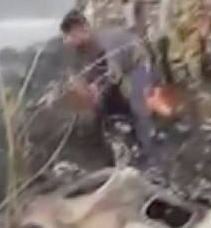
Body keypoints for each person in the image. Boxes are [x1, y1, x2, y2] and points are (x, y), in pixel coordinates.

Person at [59, 10, 162, 159]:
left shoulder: (105, 44)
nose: (71, 36)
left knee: (137, 102)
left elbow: (114, 74)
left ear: (84, 28)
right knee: (101, 105)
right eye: (69, 33)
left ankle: (146, 149)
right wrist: (80, 86)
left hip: (136, 61)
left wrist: (97, 87)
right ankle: (103, 137)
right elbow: (78, 72)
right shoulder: (79, 49)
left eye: (75, 31)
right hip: (109, 70)